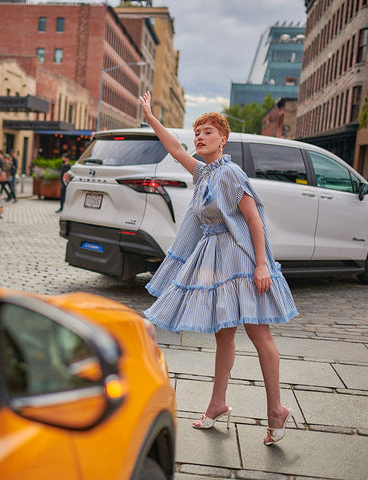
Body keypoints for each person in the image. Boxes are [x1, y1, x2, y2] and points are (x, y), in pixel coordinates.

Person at [139, 92, 298, 446]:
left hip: (240, 260)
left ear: (222, 139)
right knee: (223, 334)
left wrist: (262, 266)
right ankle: (217, 403)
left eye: (207, 132)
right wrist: (150, 117)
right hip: (214, 259)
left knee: (260, 337)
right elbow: (176, 150)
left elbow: (255, 220)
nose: (199, 137)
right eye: (198, 132)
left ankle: (276, 410)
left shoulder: (230, 173)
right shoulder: (204, 173)